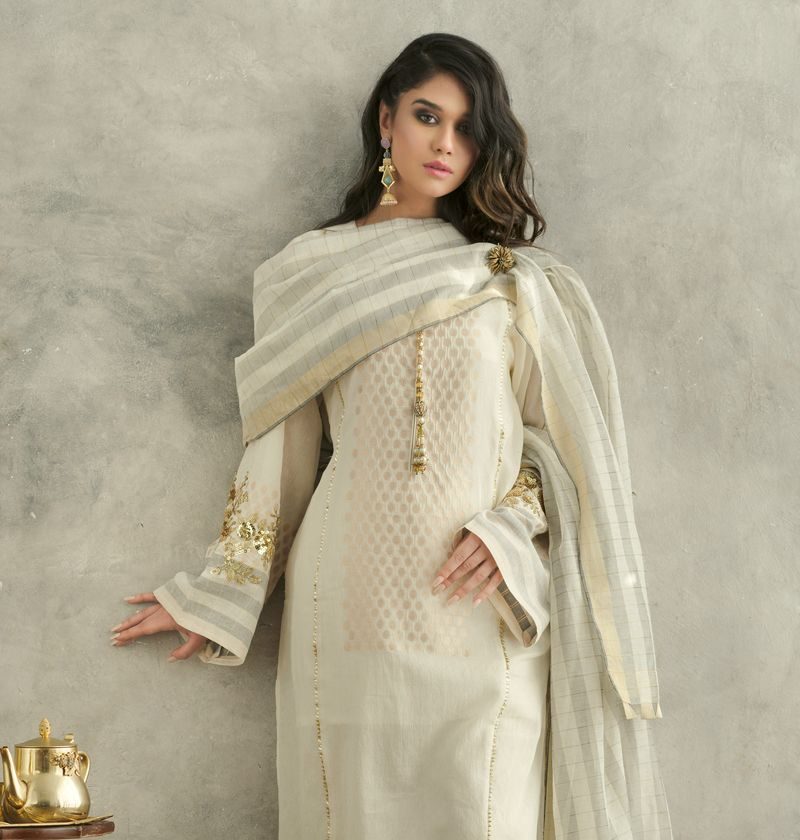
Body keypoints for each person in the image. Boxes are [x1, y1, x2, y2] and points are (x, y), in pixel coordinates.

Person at [111, 32, 672, 840]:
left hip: (485, 610)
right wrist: (220, 591)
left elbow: (563, 455)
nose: (446, 144)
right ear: (386, 121)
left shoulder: (505, 280)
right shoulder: (311, 273)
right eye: (426, 116)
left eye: (467, 128)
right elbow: (280, 454)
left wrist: (511, 527)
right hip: (347, 610)